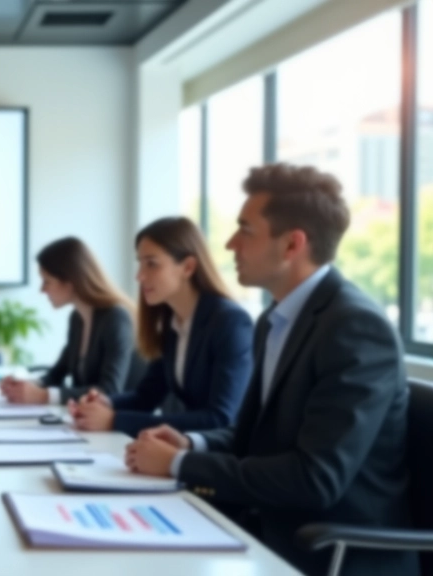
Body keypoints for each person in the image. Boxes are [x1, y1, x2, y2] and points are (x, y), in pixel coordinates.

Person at [125, 164, 416, 576]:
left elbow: (315, 478)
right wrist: (192, 444)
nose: (229, 244)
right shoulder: (275, 321)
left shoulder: (355, 328)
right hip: (265, 530)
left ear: (292, 244)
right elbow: (258, 438)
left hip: (329, 554)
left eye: (245, 230)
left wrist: (177, 465)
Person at [68, 217, 253, 437]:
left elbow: (220, 418)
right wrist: (106, 403)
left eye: (152, 263)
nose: (139, 276)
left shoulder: (229, 322)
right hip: (184, 450)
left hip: (222, 458)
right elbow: (147, 396)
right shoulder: (172, 322)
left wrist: (115, 420)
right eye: (140, 263)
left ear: (188, 267)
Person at [0, 237, 144, 404]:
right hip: (89, 424)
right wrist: (26, 385)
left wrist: (43, 396)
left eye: (47, 281)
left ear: (70, 282)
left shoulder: (116, 318)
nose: (42, 290)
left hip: (122, 426)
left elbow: (109, 390)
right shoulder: (77, 318)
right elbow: (56, 375)